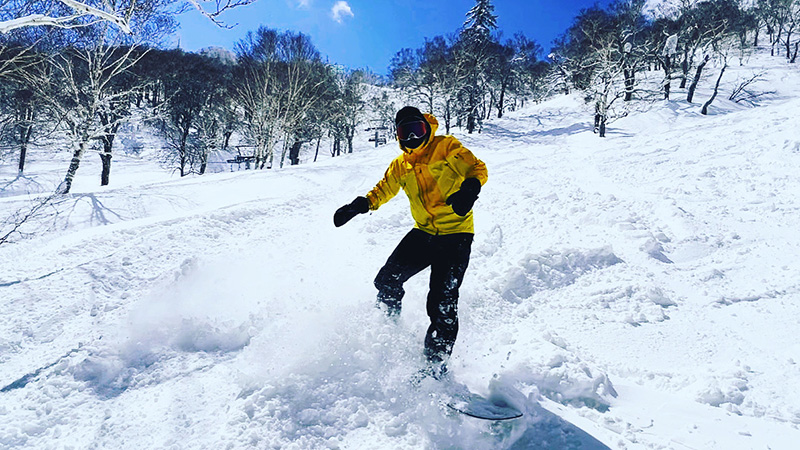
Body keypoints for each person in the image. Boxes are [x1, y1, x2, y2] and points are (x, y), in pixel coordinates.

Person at [333, 106, 488, 380]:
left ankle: (434, 367)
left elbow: (477, 168)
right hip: (424, 233)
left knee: (442, 303)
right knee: (386, 281)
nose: (414, 136)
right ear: (398, 136)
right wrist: (360, 205)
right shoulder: (400, 164)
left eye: (418, 128)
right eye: (406, 132)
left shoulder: (446, 147)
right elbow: (384, 189)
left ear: (427, 127)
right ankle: (389, 330)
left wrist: (469, 189)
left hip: (456, 235)